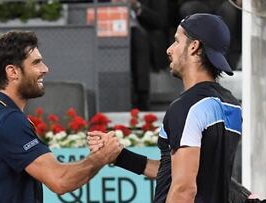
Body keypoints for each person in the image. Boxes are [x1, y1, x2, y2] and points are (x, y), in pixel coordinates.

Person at [89, 13, 242, 202]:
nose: (169, 49)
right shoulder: (232, 105)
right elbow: (179, 172)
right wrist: (120, 157)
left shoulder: (188, 106)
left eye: (177, 41)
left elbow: (184, 189)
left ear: (194, 47)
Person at [0, 30, 123, 203]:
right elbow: (60, 180)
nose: (45, 69)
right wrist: (102, 157)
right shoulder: (9, 120)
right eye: (36, 63)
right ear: (12, 72)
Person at [130, 0, 170, 110]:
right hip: (109, 29)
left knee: (138, 38)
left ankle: (141, 97)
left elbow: (160, 20)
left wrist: (137, 7)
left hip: (142, 32)